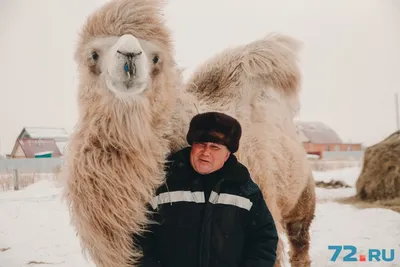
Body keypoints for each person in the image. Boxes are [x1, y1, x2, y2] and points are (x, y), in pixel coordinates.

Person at [134, 112, 279, 267]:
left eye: (215, 147)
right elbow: (140, 237)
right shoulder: (162, 184)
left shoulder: (246, 190)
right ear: (192, 146)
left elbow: (264, 240)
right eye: (201, 144)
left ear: (227, 154)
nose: (206, 152)